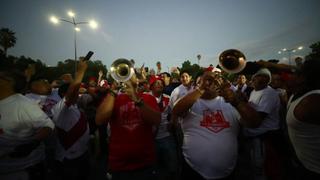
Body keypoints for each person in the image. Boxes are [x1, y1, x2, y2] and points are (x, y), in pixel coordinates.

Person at [172, 71, 262, 179]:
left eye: (212, 81)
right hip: (193, 170)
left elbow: (255, 123)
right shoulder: (190, 102)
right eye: (202, 82)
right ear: (196, 86)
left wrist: (236, 102)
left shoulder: (230, 102)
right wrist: (201, 89)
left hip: (227, 172)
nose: (208, 84)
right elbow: (176, 111)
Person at [95, 60, 161, 180]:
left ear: (137, 80)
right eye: (127, 74)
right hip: (118, 165)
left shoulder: (148, 98)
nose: (129, 77)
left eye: (133, 75)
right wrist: (113, 90)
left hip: (145, 163)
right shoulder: (113, 98)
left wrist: (136, 99)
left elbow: (157, 120)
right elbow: (99, 120)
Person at [0, 68, 54, 180]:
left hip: (20, 170)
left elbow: (48, 126)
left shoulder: (24, 104)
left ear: (9, 82)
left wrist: (32, 143)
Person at [51, 58, 91, 180]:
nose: (78, 94)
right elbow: (72, 90)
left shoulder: (74, 107)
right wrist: (80, 72)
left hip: (82, 154)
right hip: (69, 159)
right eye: (75, 92)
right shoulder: (60, 108)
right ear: (64, 95)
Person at [240, 68, 283, 180]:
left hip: (264, 138)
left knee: (262, 169)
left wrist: (238, 103)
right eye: (256, 77)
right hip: (254, 137)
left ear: (266, 80)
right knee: (254, 166)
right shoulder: (254, 91)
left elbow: (257, 119)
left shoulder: (269, 93)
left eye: (264, 77)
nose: (255, 80)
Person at [286, 58, 320, 179]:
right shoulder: (296, 94)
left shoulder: (312, 101)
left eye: (295, 73)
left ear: (302, 78)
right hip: (302, 164)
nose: (290, 75)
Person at [148, 76, 179, 180]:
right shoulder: (144, 98)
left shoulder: (167, 98)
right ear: (151, 86)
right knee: (152, 167)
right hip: (149, 139)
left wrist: (172, 122)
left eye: (161, 83)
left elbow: (174, 113)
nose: (159, 84)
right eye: (156, 83)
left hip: (166, 136)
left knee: (172, 165)